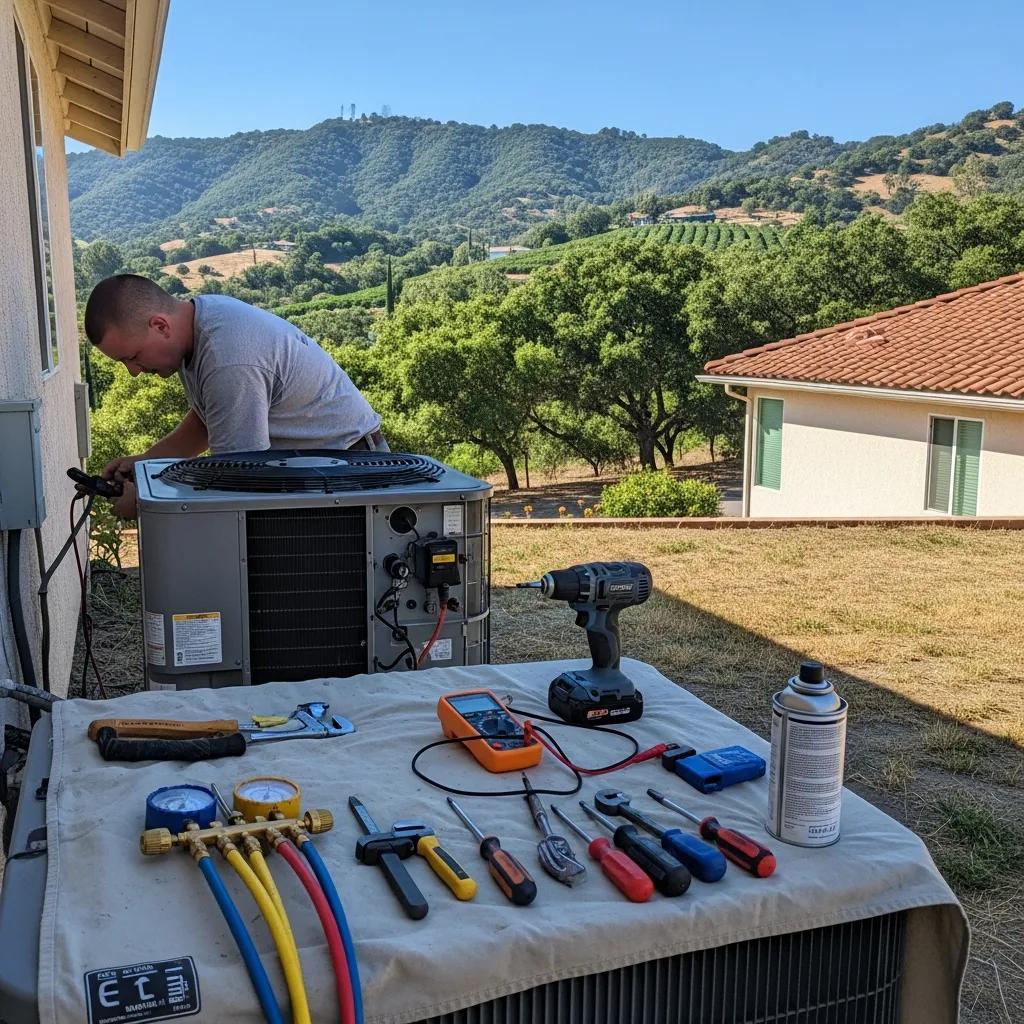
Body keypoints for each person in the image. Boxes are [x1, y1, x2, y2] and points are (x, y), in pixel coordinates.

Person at [84, 274, 387, 517]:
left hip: (348, 472)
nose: (133, 371)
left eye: (132, 357)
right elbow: (207, 422)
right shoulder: (199, 320)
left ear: (160, 326)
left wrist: (147, 503)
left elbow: (237, 479)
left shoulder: (226, 358)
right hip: (321, 470)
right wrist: (145, 465)